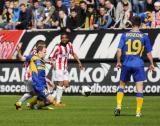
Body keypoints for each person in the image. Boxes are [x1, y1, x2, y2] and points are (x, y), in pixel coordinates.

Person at [114, 16, 154, 117]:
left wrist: (119, 61)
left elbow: (119, 50)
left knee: (121, 86)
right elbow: (148, 53)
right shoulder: (144, 36)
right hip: (138, 64)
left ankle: (118, 106)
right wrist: (152, 64)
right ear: (140, 24)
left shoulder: (125, 35)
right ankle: (138, 112)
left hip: (126, 64)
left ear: (131, 24)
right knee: (139, 88)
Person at [16, 41, 63, 110]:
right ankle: (34, 105)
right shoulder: (33, 56)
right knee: (51, 99)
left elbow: (42, 60)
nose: (46, 53)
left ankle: (32, 105)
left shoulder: (41, 59)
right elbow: (22, 58)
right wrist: (19, 51)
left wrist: (50, 62)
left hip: (42, 82)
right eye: (44, 51)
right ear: (39, 51)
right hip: (37, 83)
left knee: (35, 95)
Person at [50, 33, 83, 105]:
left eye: (65, 38)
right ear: (60, 39)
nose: (64, 39)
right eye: (62, 38)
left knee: (66, 84)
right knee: (60, 84)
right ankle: (58, 102)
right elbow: (51, 57)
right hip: (58, 67)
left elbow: (73, 53)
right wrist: (54, 65)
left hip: (65, 68)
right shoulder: (57, 47)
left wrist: (79, 63)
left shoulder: (70, 45)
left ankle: (52, 97)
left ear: (68, 39)